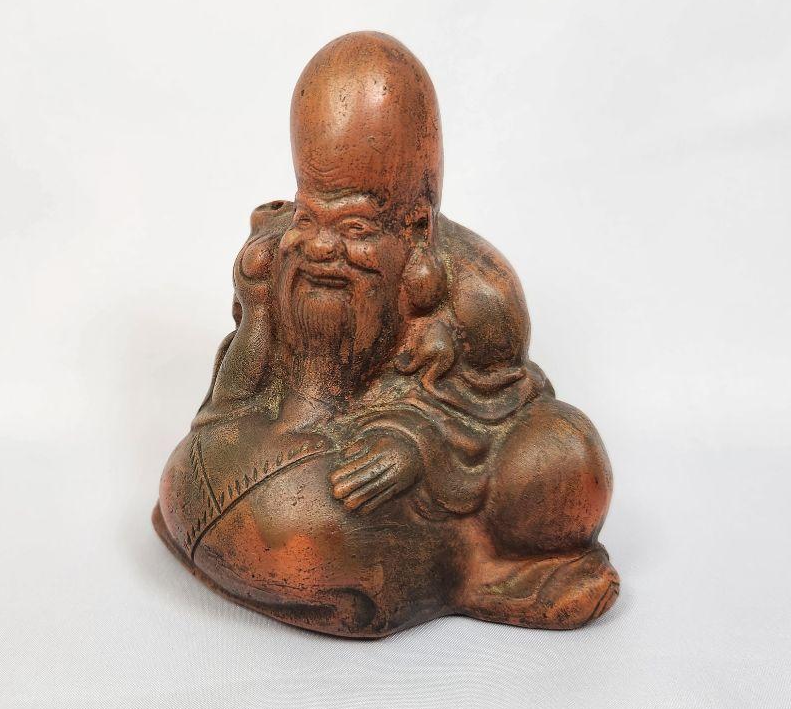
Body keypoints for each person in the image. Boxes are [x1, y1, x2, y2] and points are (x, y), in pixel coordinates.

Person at [155, 31, 619, 637]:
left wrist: (412, 445)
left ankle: (469, 567)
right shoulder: (278, 252)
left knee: (565, 455)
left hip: (407, 484)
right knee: (216, 492)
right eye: (310, 215)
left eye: (353, 227)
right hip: (289, 452)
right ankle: (383, 565)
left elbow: (492, 410)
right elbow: (238, 401)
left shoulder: (479, 292)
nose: (322, 247)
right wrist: (260, 318)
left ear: (416, 225)